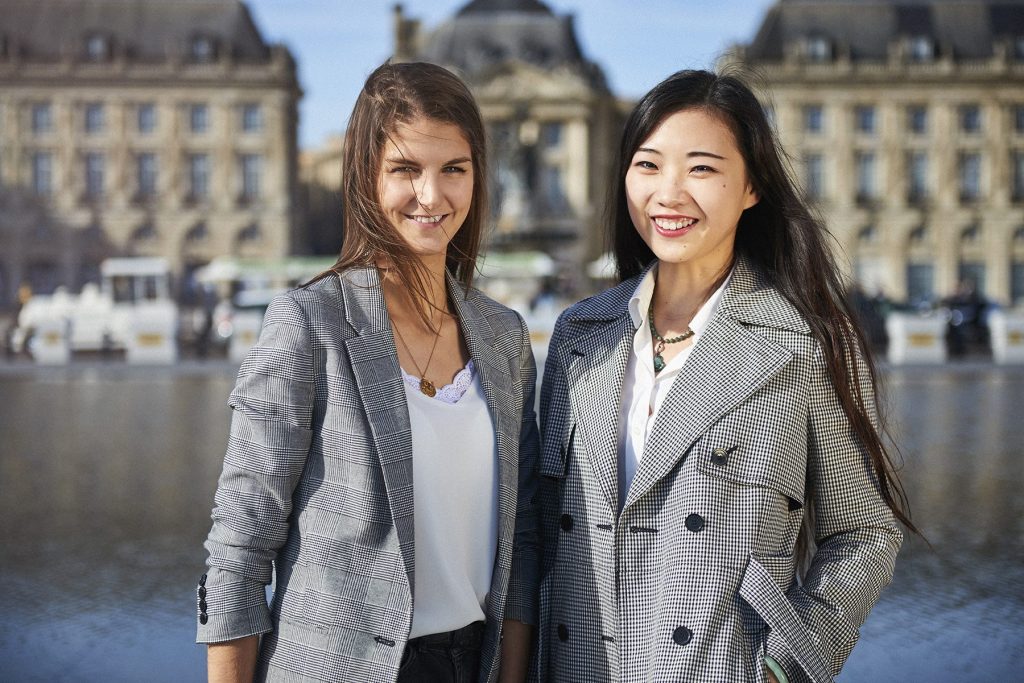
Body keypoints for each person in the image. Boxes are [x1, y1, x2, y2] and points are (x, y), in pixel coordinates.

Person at [536, 69, 916, 683]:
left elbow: (864, 532)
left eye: (702, 169)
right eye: (648, 165)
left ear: (752, 188)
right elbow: (539, 528)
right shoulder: (579, 334)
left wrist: (781, 669)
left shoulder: (806, 342)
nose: (669, 193)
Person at [197, 62, 539, 683]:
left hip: (472, 662)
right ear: (365, 177)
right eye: (405, 170)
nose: (431, 197)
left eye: (453, 170)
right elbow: (241, 547)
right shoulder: (310, 322)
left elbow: (523, 541)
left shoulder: (503, 335)